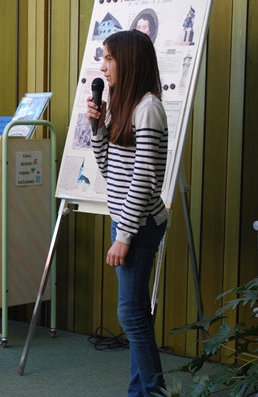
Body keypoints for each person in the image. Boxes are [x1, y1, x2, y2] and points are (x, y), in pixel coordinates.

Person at [86, 30, 169, 397]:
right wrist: (97, 128)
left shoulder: (148, 108)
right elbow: (109, 169)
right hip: (125, 220)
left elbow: (144, 179)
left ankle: (154, 391)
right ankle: (141, 393)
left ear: (129, 61)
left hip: (139, 224)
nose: (103, 67)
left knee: (131, 315)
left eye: (109, 58)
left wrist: (124, 236)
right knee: (134, 314)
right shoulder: (124, 105)